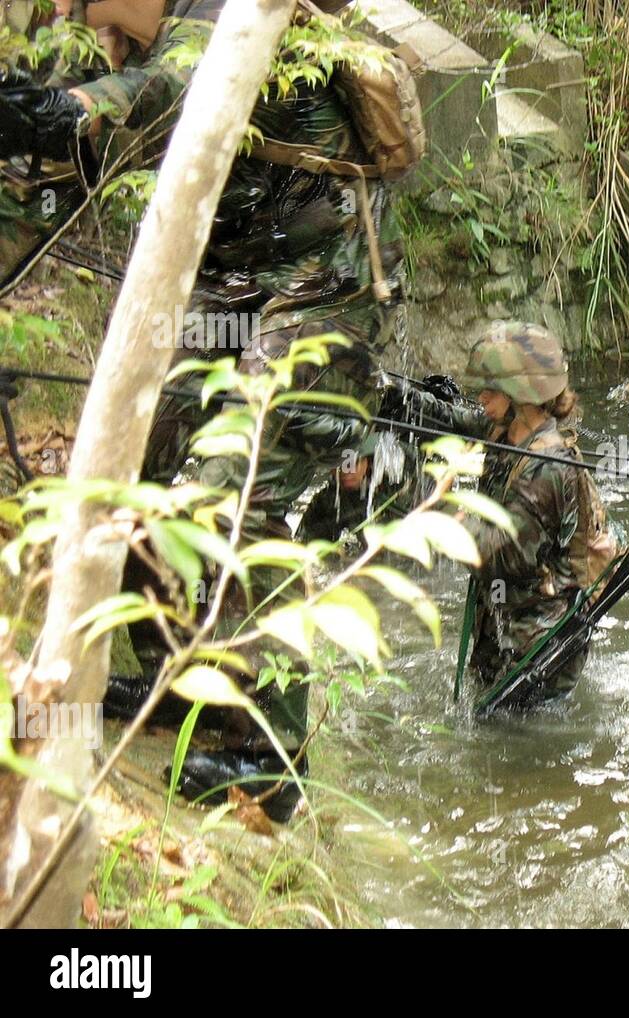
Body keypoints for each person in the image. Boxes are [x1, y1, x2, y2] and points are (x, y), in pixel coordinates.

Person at [1, 0, 408, 820]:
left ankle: (272, 755)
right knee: (141, 455)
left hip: (321, 297)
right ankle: (177, 674)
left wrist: (61, 113)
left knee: (233, 495)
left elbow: (157, 95)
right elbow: (73, 168)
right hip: (235, 290)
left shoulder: (226, 14)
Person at [389, 321, 617, 705]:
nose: (480, 397)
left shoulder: (547, 468)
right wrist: (392, 394)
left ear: (520, 397)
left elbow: (497, 556)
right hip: (501, 627)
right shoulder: (507, 431)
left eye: (490, 390)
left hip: (537, 647)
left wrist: (431, 503)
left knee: (523, 750)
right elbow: (449, 420)